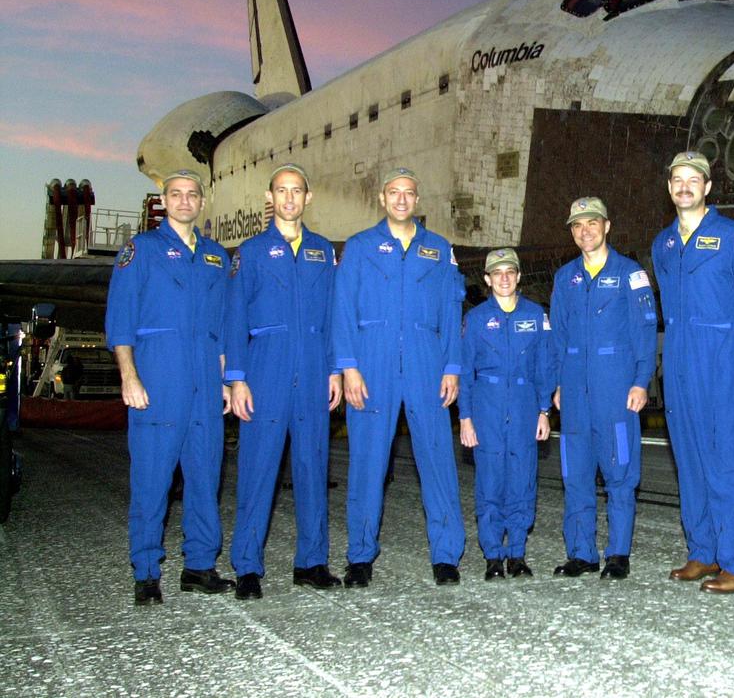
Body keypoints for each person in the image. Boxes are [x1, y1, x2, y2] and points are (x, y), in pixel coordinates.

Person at [331, 167, 466, 588]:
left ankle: (446, 555)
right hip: (372, 365)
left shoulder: (438, 250)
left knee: (438, 459)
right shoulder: (359, 247)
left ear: (418, 200)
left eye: (409, 193)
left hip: (427, 364)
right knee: (368, 461)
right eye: (395, 193)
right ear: (382, 198)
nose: (402, 200)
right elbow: (342, 310)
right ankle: (360, 556)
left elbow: (451, 314)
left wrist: (452, 367)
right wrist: (348, 366)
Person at [105, 170, 233, 605]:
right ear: (164, 200)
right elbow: (120, 319)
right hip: (158, 379)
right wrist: (129, 375)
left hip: (204, 381)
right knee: (152, 479)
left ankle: (199, 565)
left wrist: (227, 381)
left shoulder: (217, 257)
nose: (184, 201)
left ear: (202, 201)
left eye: (191, 195)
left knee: (204, 476)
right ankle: (145, 571)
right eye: (176, 195)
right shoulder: (140, 251)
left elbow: (221, 327)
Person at [223, 164, 342, 600]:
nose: (289, 198)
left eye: (297, 191)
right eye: (281, 191)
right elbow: (234, 316)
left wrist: (334, 370)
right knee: (257, 469)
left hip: (312, 368)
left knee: (313, 466)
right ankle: (248, 566)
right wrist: (236, 378)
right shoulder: (250, 253)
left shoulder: (322, 251)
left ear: (308, 198)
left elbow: (332, 316)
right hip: (265, 367)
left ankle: (311, 562)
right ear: (270, 197)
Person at [652, 151, 734, 594]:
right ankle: (704, 552)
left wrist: (725, 342)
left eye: (693, 179)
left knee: (728, 457)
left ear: (707, 187)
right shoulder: (662, 243)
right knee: (690, 457)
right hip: (679, 355)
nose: (684, 187)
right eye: (677, 179)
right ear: (669, 188)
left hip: (716, 353)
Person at [550, 198, 657, 580]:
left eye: (592, 223)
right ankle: (581, 553)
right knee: (575, 475)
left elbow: (645, 332)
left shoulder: (630, 274)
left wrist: (640, 381)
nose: (585, 231)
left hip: (616, 391)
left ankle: (617, 554)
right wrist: (557, 384)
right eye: (577, 226)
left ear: (607, 226)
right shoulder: (565, 279)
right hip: (575, 392)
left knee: (620, 474)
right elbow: (558, 337)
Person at [458, 248, 554, 580]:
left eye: (509, 272)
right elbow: (465, 372)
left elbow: (545, 365)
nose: (504, 278)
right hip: (488, 406)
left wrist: (544, 411)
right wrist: (465, 417)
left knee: (523, 482)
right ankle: (492, 557)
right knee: (490, 483)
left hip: (526, 405)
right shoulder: (476, 319)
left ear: (518, 276)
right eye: (497, 273)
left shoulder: (536, 315)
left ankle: (517, 554)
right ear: (487, 279)